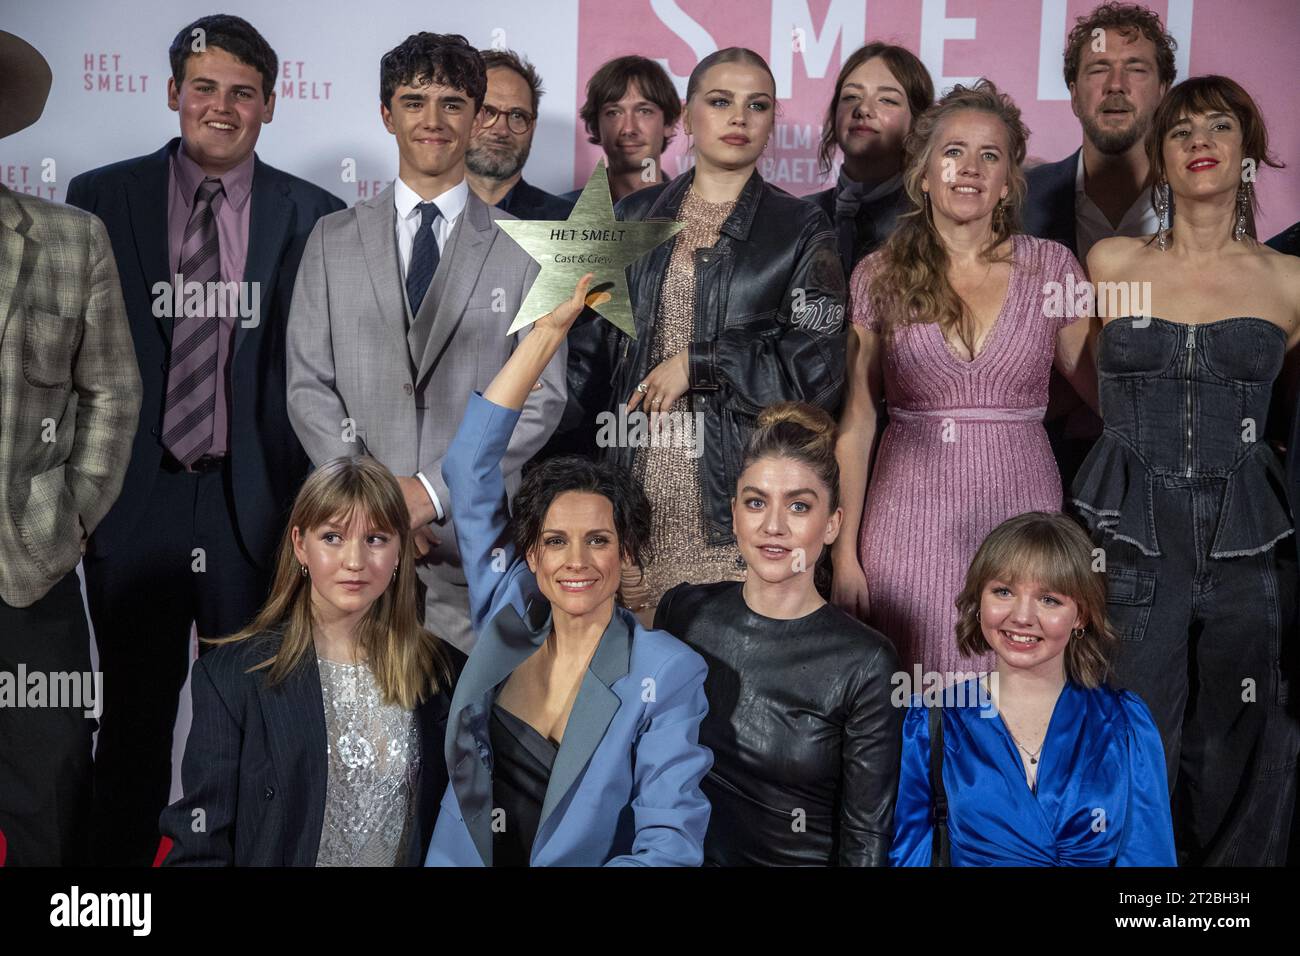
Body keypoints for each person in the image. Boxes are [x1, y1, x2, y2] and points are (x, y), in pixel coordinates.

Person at [65, 14, 344, 866]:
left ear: (269, 104)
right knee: (134, 720)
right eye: (205, 88)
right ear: (174, 93)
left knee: (259, 720)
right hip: (135, 498)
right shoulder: (99, 198)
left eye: (242, 93)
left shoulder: (315, 213)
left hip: (254, 503)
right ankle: (114, 900)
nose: (221, 107)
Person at [1074, 75, 1300, 866]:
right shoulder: (1109, 261)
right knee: (1131, 730)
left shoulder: (1289, 280)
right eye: (1180, 132)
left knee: (1250, 733)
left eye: (1219, 127)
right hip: (1131, 535)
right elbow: (1076, 370)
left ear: (1248, 153)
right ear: (1160, 158)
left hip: (1252, 541)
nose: (1200, 142)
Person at [286, 32, 566, 654]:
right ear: (387, 115)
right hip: (350, 547)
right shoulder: (330, 239)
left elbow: (542, 397)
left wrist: (433, 492)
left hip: (469, 549)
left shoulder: (527, 248)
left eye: (453, 103)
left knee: (462, 740)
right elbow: (308, 384)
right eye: (414, 102)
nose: (432, 120)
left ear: (475, 117)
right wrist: (378, 503)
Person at [425, 274, 712, 866]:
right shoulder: (506, 611)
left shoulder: (667, 673)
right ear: (532, 556)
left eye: (598, 540)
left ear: (627, 551)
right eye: (556, 541)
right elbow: (470, 468)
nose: (576, 562)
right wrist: (548, 332)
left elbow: (669, 848)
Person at [572, 47, 846, 626]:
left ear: (772, 122)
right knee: (639, 692)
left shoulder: (800, 228)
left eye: (757, 105)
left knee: (728, 691)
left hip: (734, 508)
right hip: (634, 500)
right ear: (688, 116)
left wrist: (701, 363)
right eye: (720, 102)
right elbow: (584, 368)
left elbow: (817, 369)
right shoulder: (629, 217)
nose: (738, 118)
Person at [833, 80, 1097, 678]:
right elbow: (857, 420)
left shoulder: (1051, 267)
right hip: (905, 524)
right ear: (923, 174)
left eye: (990, 155)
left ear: (1008, 181)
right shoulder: (879, 274)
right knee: (914, 705)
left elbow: (1106, 396)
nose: (969, 168)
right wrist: (845, 553)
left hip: (1022, 513)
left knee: (1014, 699)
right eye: (953, 152)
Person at [159, 456, 462, 865]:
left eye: (375, 539)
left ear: (400, 549)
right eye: (333, 538)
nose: (354, 561)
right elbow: (199, 846)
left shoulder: (443, 673)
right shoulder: (233, 677)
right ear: (301, 544)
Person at [0, 30, 142, 866]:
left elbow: (114, 394)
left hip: (26, 566)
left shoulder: (69, 239)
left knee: (51, 793)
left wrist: (64, 514)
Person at [655, 403, 901, 866]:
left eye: (798, 506)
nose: (773, 526)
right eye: (756, 502)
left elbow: (866, 837)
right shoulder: (684, 613)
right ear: (733, 514)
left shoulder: (865, 661)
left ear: (831, 524)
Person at [891, 512, 1176, 866]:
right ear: (980, 602)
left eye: (1049, 600)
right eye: (1003, 591)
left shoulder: (1125, 724)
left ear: (1081, 615)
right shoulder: (932, 721)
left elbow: (1148, 860)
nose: (1022, 616)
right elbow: (908, 858)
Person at [1023, 2, 1178, 489]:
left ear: (1163, 90)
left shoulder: (1206, 209)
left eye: (1136, 68)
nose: (1116, 85)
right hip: (1036, 468)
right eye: (1098, 69)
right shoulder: (1016, 205)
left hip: (1168, 466)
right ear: (1073, 93)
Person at [808, 42, 934, 278]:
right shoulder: (800, 216)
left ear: (919, 123)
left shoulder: (932, 224)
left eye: (887, 100)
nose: (863, 109)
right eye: (851, 96)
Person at [465, 49, 574, 220]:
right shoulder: (420, 215)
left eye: (517, 116)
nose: (501, 130)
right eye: (487, 112)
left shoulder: (571, 224)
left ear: (533, 127)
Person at [562, 55, 680, 204]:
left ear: (668, 124)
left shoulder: (696, 216)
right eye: (614, 113)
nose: (629, 128)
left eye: (644, 111)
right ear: (596, 126)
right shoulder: (560, 214)